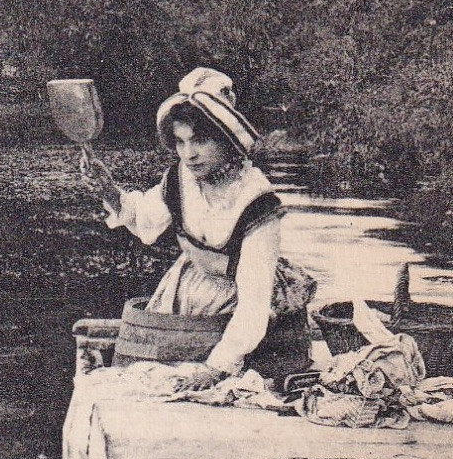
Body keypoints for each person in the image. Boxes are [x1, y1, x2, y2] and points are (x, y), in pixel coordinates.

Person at [83, 67, 315, 391]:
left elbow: (254, 306)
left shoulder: (257, 202)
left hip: (241, 304)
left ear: (227, 138)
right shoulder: (180, 180)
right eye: (180, 142)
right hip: (186, 287)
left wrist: (217, 367)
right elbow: (142, 219)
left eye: (200, 140)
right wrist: (107, 188)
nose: (188, 154)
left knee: (222, 380)